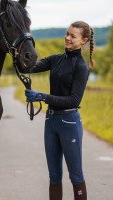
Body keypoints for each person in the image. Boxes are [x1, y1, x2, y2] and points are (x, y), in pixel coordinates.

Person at [18, 21, 95, 200]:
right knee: (54, 176)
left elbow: (74, 100)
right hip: (50, 121)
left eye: (73, 36)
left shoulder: (81, 67)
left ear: (83, 41)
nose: (67, 38)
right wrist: (16, 50)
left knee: (75, 176)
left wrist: (43, 97)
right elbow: (27, 66)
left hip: (69, 122)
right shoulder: (56, 59)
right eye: (67, 34)